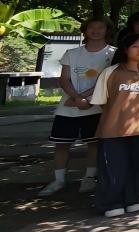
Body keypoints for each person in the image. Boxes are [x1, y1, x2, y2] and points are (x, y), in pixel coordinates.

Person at [39, 16, 115, 197]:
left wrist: (87, 98)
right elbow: (64, 79)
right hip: (68, 105)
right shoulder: (72, 53)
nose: (96, 31)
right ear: (85, 30)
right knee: (61, 143)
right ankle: (59, 179)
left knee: (94, 143)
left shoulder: (113, 53)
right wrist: (76, 98)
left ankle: (89, 177)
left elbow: (108, 80)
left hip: (96, 105)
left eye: (101, 27)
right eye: (92, 27)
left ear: (107, 30)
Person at [90, 33, 139, 217]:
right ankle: (110, 203)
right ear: (125, 49)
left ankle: (134, 198)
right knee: (114, 168)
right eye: (135, 46)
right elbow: (101, 101)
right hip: (114, 130)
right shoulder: (111, 72)